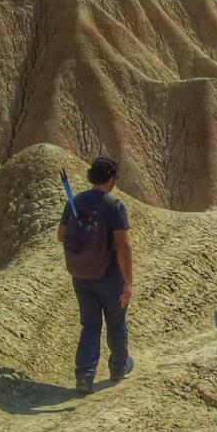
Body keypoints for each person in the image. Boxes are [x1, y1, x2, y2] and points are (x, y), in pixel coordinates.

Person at [59, 156, 134, 395]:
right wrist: (128, 282)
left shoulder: (75, 201)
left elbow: (61, 236)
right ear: (111, 178)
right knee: (116, 324)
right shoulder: (114, 206)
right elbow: (123, 246)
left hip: (81, 275)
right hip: (110, 277)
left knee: (90, 325)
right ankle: (119, 366)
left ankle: (84, 375)